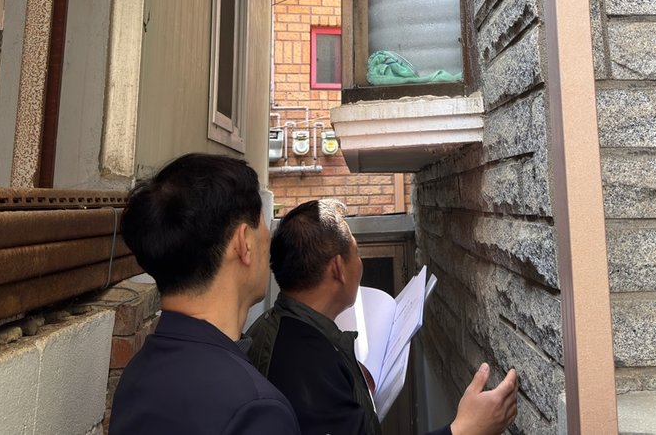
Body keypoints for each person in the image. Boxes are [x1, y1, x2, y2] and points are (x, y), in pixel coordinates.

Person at [247, 199, 518, 435]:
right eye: (356, 252)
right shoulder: (310, 370)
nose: (360, 263)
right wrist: (464, 429)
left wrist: (354, 384)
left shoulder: (277, 329)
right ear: (338, 268)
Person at [111, 153, 300, 435]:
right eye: (263, 225)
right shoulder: (255, 409)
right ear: (244, 243)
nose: (268, 239)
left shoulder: (137, 375)